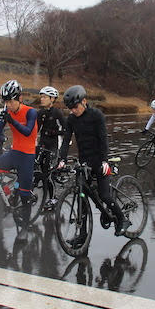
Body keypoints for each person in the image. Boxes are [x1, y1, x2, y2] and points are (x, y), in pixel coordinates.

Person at [57, 85, 129, 243]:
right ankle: (82, 235)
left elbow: (103, 139)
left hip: (99, 160)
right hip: (84, 161)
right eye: (70, 108)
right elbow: (66, 140)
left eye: (75, 107)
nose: (73, 111)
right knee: (81, 197)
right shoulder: (71, 119)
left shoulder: (96, 115)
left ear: (84, 101)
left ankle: (122, 219)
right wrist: (62, 159)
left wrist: (104, 160)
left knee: (104, 195)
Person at [0, 80, 38, 235]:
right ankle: (6, 195)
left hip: (27, 155)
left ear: (19, 98)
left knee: (25, 195)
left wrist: (11, 120)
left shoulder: (30, 112)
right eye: (6, 102)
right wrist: (0, 119)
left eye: (11, 101)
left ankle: (24, 227)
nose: (8, 105)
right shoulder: (7, 110)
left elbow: (27, 131)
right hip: (15, 153)